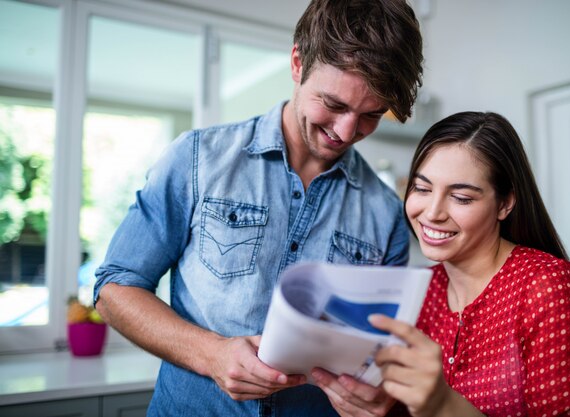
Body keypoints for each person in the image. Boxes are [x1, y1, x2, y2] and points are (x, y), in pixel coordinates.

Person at [92, 0, 424, 416]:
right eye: (334, 105)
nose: (346, 132)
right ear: (298, 63)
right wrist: (210, 354)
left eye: (371, 115)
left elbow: (380, 354)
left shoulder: (386, 213)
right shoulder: (197, 159)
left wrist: (380, 399)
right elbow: (114, 287)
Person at [356, 111, 570, 416]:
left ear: (505, 203)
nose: (432, 213)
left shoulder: (546, 288)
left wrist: (443, 404)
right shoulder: (418, 289)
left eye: (461, 197)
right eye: (422, 189)